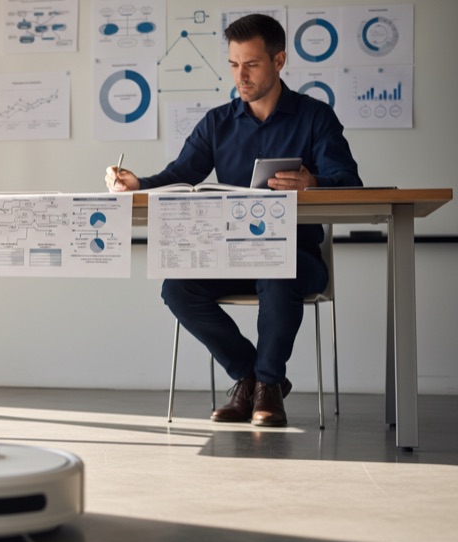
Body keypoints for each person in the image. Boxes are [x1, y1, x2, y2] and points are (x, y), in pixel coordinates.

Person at [105, 13, 362, 427]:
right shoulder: (218, 123)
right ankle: (255, 378)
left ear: (279, 61)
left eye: (252, 64)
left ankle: (265, 385)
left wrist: (312, 183)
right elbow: (179, 175)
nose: (240, 76)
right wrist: (139, 183)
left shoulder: (316, 118)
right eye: (233, 64)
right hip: (234, 257)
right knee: (178, 289)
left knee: (279, 274)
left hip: (298, 260)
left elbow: (350, 183)